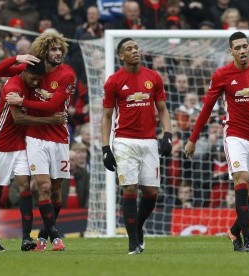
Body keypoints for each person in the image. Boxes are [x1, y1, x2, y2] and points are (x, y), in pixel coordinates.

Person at [184, 31, 249, 252]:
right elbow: (206, 109)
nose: (242, 51)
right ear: (230, 51)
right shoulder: (222, 74)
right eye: (237, 48)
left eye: (245, 46)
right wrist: (193, 139)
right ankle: (247, 240)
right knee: (240, 180)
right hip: (234, 136)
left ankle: (233, 231)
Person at [0, 32, 75, 252]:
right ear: (44, 51)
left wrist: (23, 101)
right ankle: (56, 238)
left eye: (60, 50)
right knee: (44, 187)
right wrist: (18, 58)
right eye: (53, 49)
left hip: (59, 136)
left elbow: (54, 107)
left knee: (56, 190)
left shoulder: (66, 74)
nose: (57, 53)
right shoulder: (30, 69)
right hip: (35, 137)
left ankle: (43, 235)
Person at [101, 38, 172, 254]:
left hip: (149, 141)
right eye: (129, 49)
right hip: (124, 141)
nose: (135, 51)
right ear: (121, 56)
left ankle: (138, 227)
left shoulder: (153, 77)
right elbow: (106, 116)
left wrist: (167, 134)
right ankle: (132, 241)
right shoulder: (114, 81)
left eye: (136, 48)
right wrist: (106, 148)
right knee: (129, 189)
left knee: (151, 193)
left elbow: (162, 110)